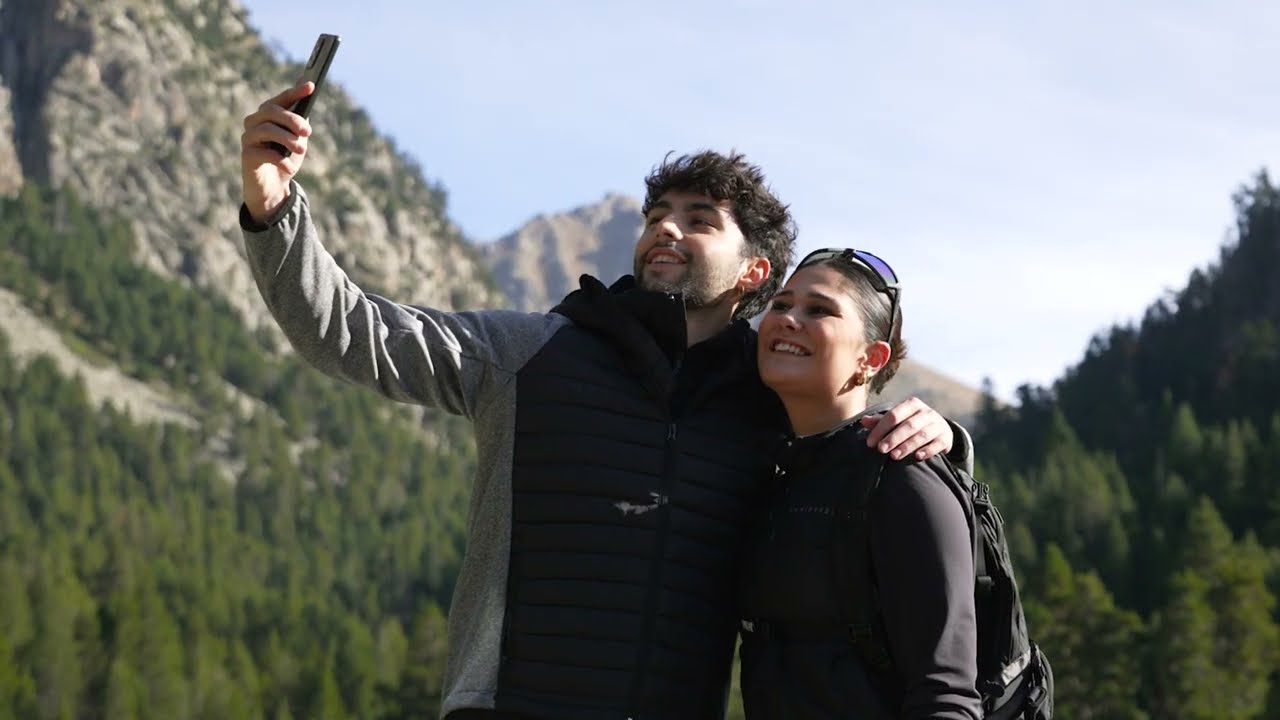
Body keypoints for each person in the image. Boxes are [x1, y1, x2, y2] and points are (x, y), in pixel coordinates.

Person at [238, 82, 973, 720]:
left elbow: (854, 456)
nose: (665, 227)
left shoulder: (768, 401)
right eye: (658, 213)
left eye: (699, 218)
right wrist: (274, 212)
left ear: (755, 270)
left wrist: (943, 436)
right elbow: (351, 332)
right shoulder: (528, 350)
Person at [738, 248, 983, 719]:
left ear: (871, 357)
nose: (788, 319)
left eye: (819, 310)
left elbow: (946, 693)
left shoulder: (902, 471)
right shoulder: (773, 472)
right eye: (782, 304)